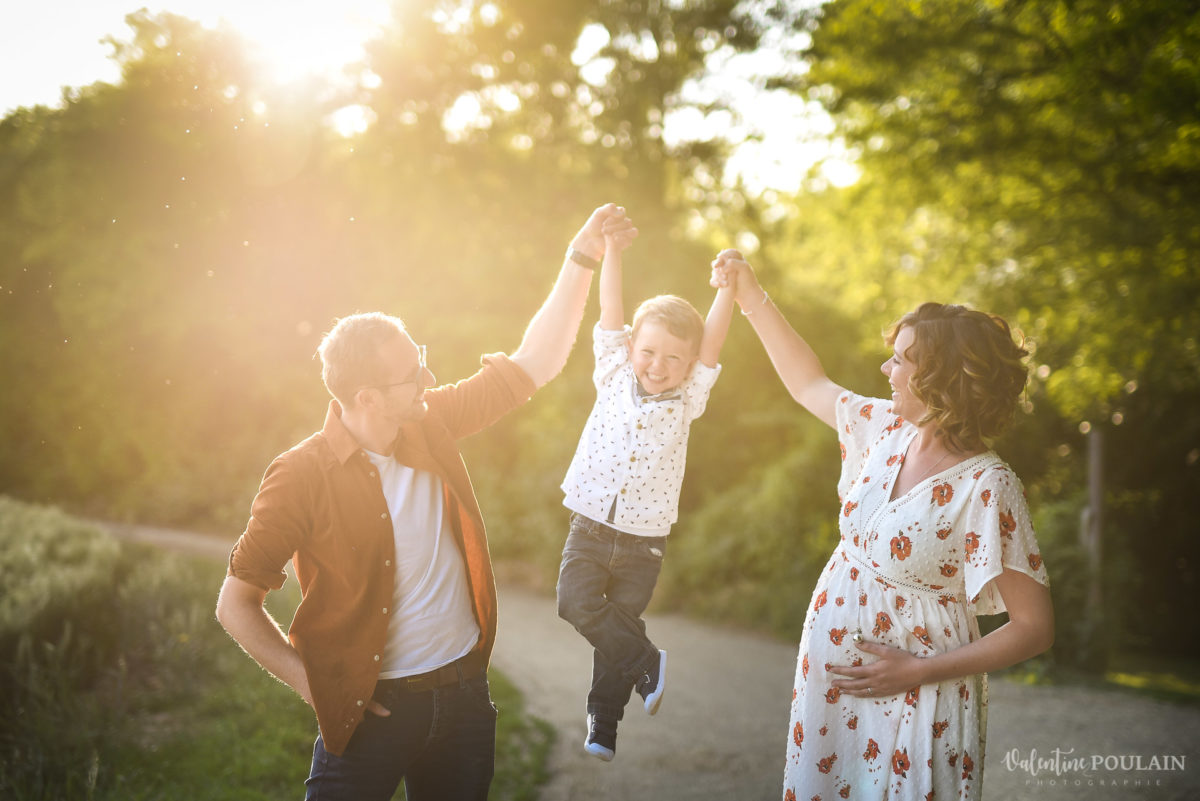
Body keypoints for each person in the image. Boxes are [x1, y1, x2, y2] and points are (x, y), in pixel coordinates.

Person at [214, 204, 636, 801]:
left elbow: (534, 362)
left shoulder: (427, 424)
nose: (429, 380)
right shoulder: (299, 475)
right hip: (374, 712)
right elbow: (237, 605)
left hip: (465, 701)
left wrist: (582, 256)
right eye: (412, 374)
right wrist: (317, 689)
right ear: (367, 397)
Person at [710, 250, 1054, 801]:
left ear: (941, 378)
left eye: (900, 360)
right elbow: (807, 383)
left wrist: (919, 671)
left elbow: (1034, 627)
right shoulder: (885, 429)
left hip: (922, 701)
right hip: (831, 699)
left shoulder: (988, 485)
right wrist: (751, 296)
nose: (885, 371)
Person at [555, 225, 737, 762]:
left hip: (644, 540)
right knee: (575, 603)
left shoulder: (689, 398)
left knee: (618, 628)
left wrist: (726, 288)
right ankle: (648, 661)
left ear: (689, 365)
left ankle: (604, 724)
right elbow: (611, 306)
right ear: (632, 343)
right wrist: (611, 249)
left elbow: (715, 342)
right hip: (589, 523)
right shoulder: (612, 370)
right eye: (649, 351)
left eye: (672, 359)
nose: (658, 366)